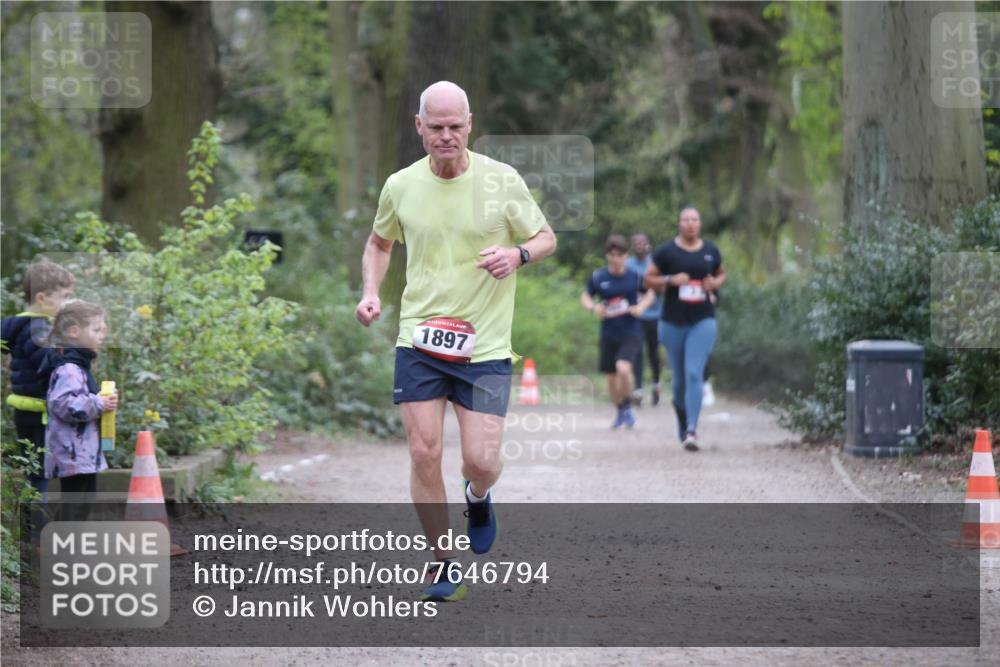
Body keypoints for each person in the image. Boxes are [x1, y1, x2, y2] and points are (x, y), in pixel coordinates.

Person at [355, 81, 556, 602]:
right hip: (419, 339)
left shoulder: (501, 180)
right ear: (418, 126)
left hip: (484, 346)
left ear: (470, 124)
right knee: (423, 452)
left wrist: (518, 256)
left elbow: (544, 236)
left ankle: (478, 494)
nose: (446, 136)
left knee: (482, 459)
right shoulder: (400, 185)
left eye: (455, 126)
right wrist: (371, 292)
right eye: (435, 127)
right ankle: (442, 564)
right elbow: (379, 243)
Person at [644, 207, 726, 452]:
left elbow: (721, 274)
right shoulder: (666, 252)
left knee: (694, 373)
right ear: (679, 223)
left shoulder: (710, 250)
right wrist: (669, 280)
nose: (690, 224)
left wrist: (715, 282)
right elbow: (648, 279)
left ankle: (692, 429)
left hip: (703, 320)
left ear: (699, 224)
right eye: (685, 220)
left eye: (694, 220)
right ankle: (681, 413)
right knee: (679, 381)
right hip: (672, 321)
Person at [1, 260, 76, 496]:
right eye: (64, 297)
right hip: (39, 413)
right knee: (39, 475)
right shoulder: (38, 328)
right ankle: (35, 532)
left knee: (34, 472)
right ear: (42, 298)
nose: (67, 304)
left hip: (26, 410)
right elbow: (50, 363)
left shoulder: (19, 325)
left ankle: (32, 529)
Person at [41, 300, 119, 513]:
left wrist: (102, 401)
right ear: (74, 331)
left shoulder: (78, 367)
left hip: (82, 454)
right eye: (96, 329)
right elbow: (63, 404)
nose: (101, 335)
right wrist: (98, 402)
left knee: (82, 505)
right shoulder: (68, 369)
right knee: (75, 506)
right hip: (73, 454)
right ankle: (63, 544)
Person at [581, 234, 656, 430]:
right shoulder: (599, 277)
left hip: (630, 331)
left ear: (626, 256)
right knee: (611, 378)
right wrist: (593, 308)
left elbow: (650, 293)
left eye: (620, 255)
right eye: (613, 255)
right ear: (607, 256)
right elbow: (586, 296)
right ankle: (621, 410)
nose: (616, 259)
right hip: (608, 333)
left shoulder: (634, 276)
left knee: (623, 368)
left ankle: (629, 407)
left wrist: (641, 307)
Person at [626, 233, 663, 407]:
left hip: (654, 314)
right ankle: (638, 388)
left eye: (643, 242)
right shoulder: (628, 264)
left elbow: (662, 286)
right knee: (637, 351)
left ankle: (656, 383)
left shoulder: (655, 263)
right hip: (636, 314)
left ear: (648, 245)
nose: (639, 245)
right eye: (636, 242)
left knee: (653, 351)